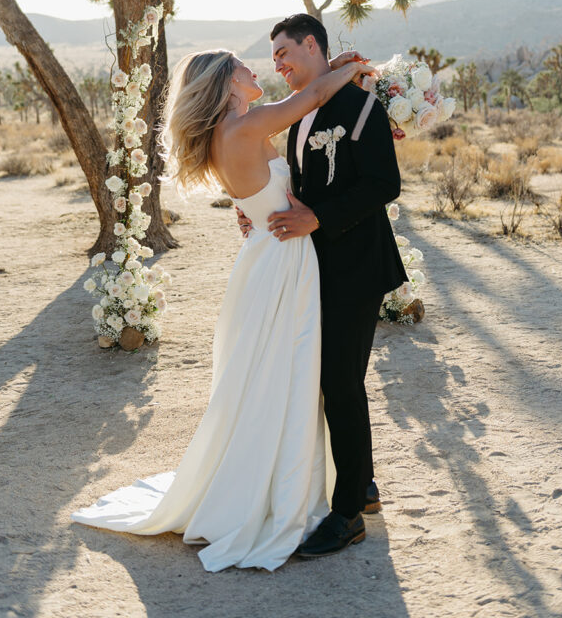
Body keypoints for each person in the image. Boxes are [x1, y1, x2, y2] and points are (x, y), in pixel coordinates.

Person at [71, 47, 373, 572]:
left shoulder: (227, 132)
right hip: (282, 260)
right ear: (226, 82)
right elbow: (313, 96)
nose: (254, 69)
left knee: (266, 375)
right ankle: (281, 491)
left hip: (264, 254)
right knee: (284, 373)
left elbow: (266, 165)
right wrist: (356, 70)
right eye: (243, 65)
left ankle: (283, 476)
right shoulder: (248, 126)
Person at [237, 14, 407, 558]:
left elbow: (385, 183)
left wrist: (319, 219)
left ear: (313, 45)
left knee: (340, 381)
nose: (279, 66)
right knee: (333, 378)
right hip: (316, 268)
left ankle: (348, 513)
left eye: (285, 53)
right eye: (274, 60)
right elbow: (301, 186)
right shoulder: (303, 117)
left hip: (357, 266)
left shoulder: (360, 106)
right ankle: (365, 485)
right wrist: (263, 212)